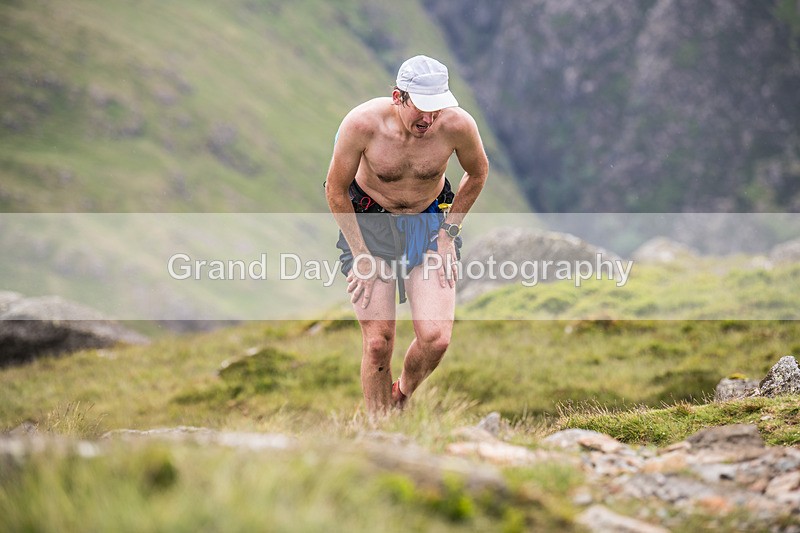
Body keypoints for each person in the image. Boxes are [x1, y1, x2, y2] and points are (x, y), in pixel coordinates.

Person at [325, 55, 489, 416]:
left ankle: (401, 394)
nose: (429, 119)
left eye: (438, 108)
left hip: (429, 225)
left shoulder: (457, 126)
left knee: (436, 338)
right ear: (399, 98)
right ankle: (378, 430)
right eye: (423, 108)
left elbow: (477, 173)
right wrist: (361, 254)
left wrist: (448, 235)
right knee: (378, 343)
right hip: (370, 227)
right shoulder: (362, 124)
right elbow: (335, 189)